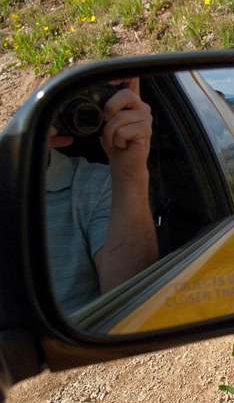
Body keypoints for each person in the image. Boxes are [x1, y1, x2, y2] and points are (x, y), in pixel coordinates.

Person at [46, 77, 159, 313]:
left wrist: (130, 173)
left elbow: (129, 302)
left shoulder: (96, 185)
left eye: (91, 98)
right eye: (55, 99)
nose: (79, 111)